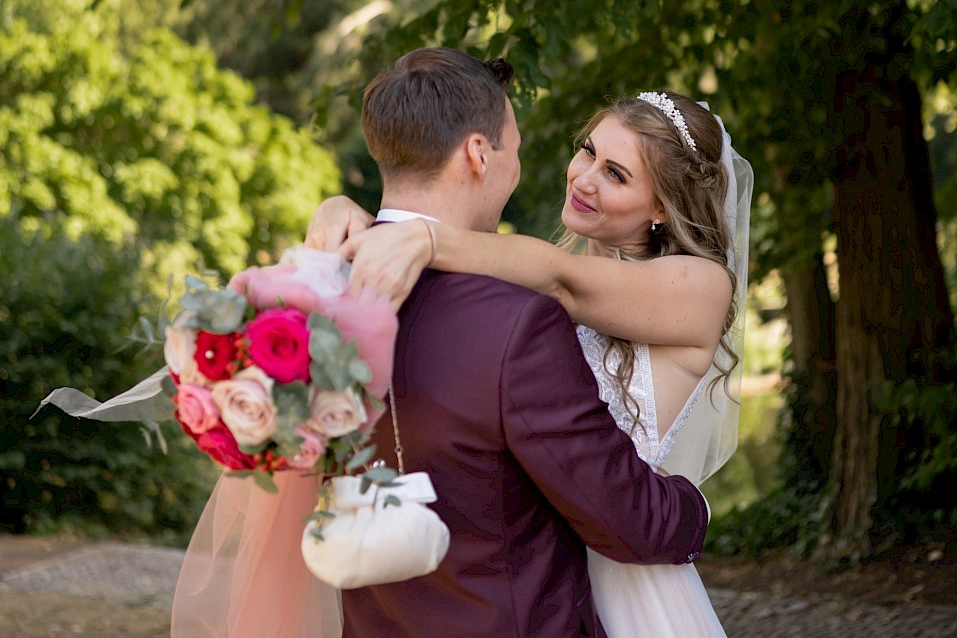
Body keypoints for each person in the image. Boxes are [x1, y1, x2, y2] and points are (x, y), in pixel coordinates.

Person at [306, 84, 753, 635]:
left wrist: (420, 234)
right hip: (539, 563)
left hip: (627, 574)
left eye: (617, 174)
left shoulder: (699, 286)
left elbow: (562, 281)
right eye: (588, 151)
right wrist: (351, 213)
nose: (584, 177)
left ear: (662, 205)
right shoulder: (540, 271)